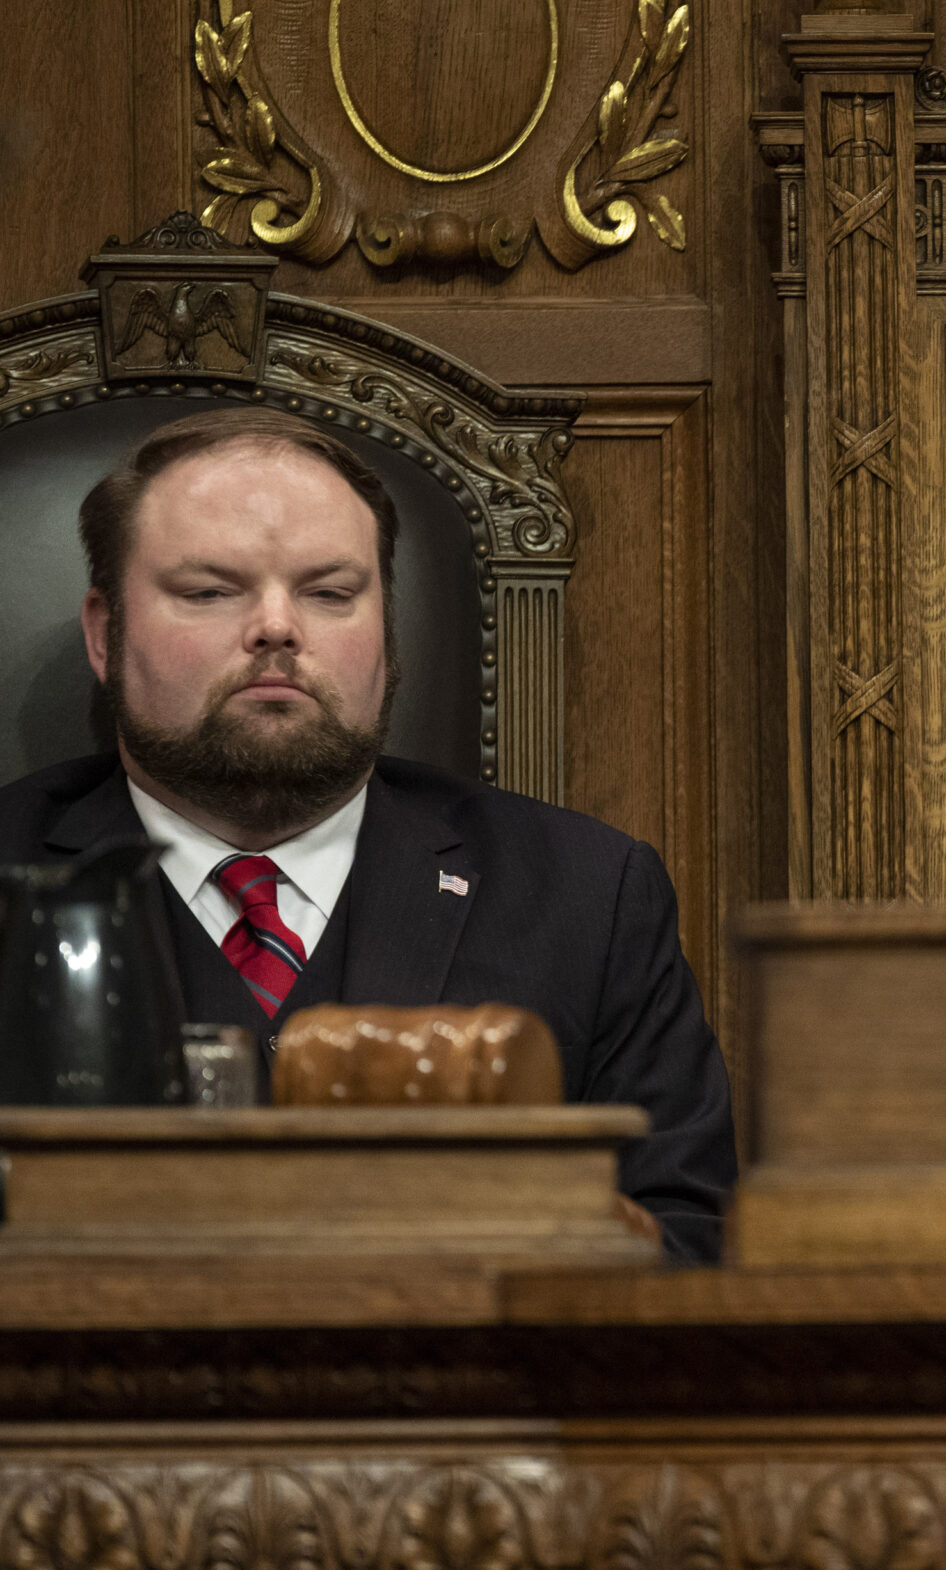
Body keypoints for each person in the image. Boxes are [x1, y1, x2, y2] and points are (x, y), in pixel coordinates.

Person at [0, 407, 736, 1263]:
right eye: (209, 591)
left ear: (386, 632)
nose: (277, 628)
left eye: (330, 593)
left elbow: (694, 1249)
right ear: (104, 633)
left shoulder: (587, 896)